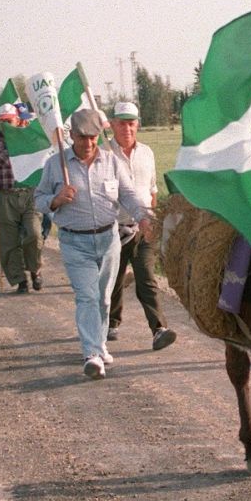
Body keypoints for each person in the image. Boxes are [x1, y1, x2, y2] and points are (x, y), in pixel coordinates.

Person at [34, 108, 154, 379]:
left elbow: (128, 194)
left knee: (102, 297)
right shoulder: (56, 165)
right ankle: (91, 354)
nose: (87, 144)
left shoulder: (111, 161)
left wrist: (144, 217)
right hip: (75, 242)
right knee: (87, 296)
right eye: (81, 138)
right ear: (71, 135)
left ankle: (99, 345)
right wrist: (55, 199)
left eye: (92, 138)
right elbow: (38, 198)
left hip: (109, 239)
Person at [105, 102, 177, 351]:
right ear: (112, 124)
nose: (127, 128)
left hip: (143, 228)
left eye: (131, 123)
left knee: (147, 280)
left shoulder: (147, 152)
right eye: (122, 123)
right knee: (113, 278)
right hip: (114, 229)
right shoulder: (105, 154)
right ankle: (111, 322)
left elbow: (152, 190)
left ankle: (159, 329)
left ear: (138, 124)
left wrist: (152, 219)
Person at [0, 104, 42, 293]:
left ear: (18, 120)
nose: (5, 125)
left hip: (29, 193)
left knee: (34, 234)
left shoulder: (30, 139)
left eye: (9, 121)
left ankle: (35, 269)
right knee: (8, 241)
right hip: (3, 196)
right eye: (1, 122)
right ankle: (20, 280)